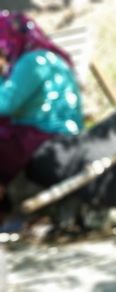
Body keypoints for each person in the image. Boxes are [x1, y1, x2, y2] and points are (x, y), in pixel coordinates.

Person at [0, 11, 83, 222]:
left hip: (49, 135)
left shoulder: (33, 62)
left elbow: (6, 104)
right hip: (46, 130)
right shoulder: (35, 58)